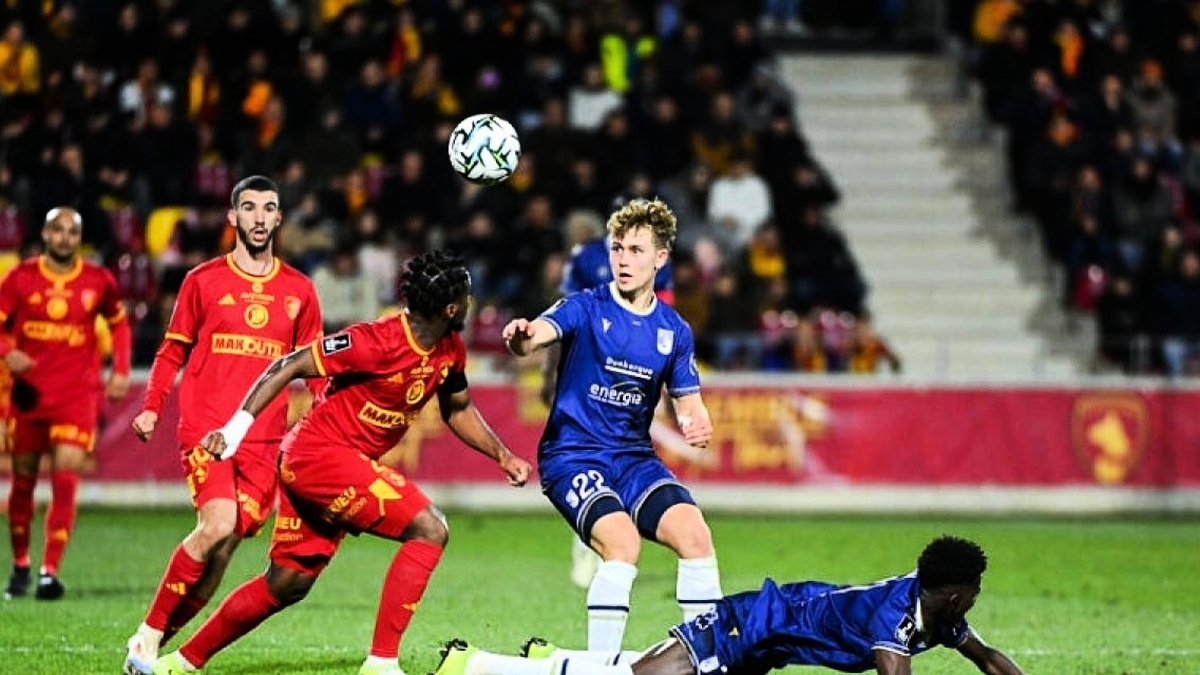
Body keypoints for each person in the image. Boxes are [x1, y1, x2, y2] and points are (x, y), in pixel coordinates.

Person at [152, 249, 532, 675]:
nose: (470, 302)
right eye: (465, 296)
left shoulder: (450, 348)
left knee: (288, 582)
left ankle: (179, 663)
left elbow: (457, 408)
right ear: (451, 308)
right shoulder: (375, 340)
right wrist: (235, 429)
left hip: (331, 463)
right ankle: (381, 664)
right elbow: (289, 364)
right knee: (430, 528)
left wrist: (503, 455)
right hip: (318, 455)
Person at [122, 175, 324, 674]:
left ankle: (153, 650)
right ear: (233, 217)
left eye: (269, 208)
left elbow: (316, 369)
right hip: (207, 428)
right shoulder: (203, 280)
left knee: (222, 552)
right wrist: (151, 406)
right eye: (249, 208)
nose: (259, 217)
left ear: (279, 218)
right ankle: (148, 637)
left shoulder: (300, 290)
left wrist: (328, 418)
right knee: (217, 524)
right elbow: (172, 350)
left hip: (263, 439)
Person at [502, 198, 719, 653]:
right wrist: (522, 338)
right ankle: (602, 666)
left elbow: (690, 404)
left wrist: (697, 423)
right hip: (573, 455)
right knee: (622, 543)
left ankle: (707, 658)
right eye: (617, 248)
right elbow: (536, 335)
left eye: (636, 250)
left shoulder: (674, 330)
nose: (622, 259)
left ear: (660, 258)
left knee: (695, 535)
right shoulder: (586, 305)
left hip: (633, 460)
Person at [434, 535, 1027, 675]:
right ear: (956, 593)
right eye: (975, 590)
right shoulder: (894, 618)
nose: (977, 600)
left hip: (766, 652)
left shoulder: (940, 614)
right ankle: (474, 664)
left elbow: (989, 658)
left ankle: (551, 656)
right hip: (751, 623)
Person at [1, 206, 132, 600]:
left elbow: (119, 324)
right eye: (57, 230)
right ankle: (21, 564)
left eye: (72, 232)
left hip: (76, 395)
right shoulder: (20, 278)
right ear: (45, 234)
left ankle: (49, 571)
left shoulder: (98, 280)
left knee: (65, 478)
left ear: (79, 237)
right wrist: (7, 352)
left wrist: (121, 370)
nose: (64, 238)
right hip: (28, 395)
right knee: (23, 484)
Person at [553, 208, 675, 590]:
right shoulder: (594, 259)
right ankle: (593, 537)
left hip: (627, 373)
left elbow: (663, 316)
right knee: (600, 454)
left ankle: (603, 539)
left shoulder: (595, 258)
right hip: (598, 373)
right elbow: (564, 315)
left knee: (623, 455)